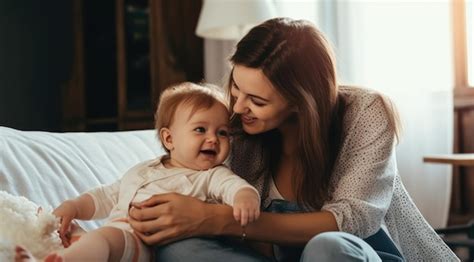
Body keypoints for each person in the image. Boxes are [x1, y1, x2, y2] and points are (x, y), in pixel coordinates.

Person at [127, 17, 459, 262]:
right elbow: (190, 181)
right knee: (179, 250)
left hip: (354, 252)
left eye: (257, 101)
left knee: (326, 247)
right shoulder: (232, 128)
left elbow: (352, 222)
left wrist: (219, 219)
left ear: (302, 101)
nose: (238, 107)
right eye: (236, 88)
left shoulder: (366, 112)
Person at [15, 82, 261, 262]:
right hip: (119, 238)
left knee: (101, 240)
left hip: (144, 244)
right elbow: (106, 195)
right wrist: (74, 206)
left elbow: (233, 187)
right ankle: (48, 253)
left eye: (222, 133)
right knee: (72, 231)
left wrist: (245, 198)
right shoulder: (144, 169)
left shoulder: (211, 175)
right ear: (169, 138)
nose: (213, 139)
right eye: (200, 129)